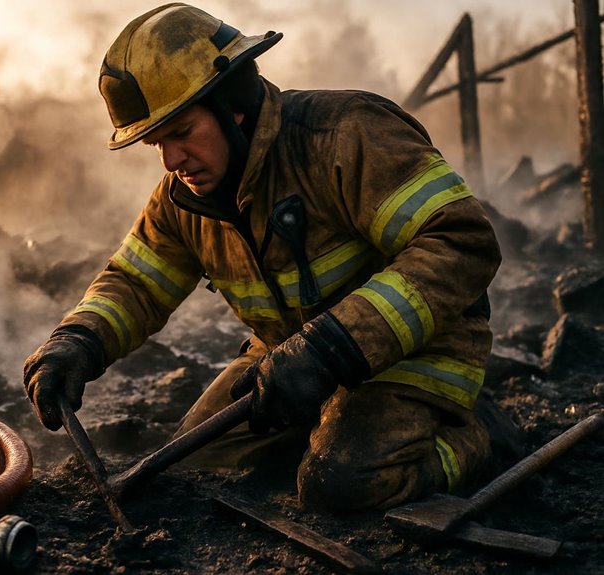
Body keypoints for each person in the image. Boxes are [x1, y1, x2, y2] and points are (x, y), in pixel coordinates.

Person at [25, 3, 504, 512]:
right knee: (196, 461)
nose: (171, 160)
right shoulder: (184, 198)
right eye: (156, 143)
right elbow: (138, 282)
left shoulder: (345, 136)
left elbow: (461, 242)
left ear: (233, 103)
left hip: (419, 353)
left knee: (341, 483)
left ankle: (479, 435)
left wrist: (329, 349)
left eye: (182, 132)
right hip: (289, 362)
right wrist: (78, 340)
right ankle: (338, 424)